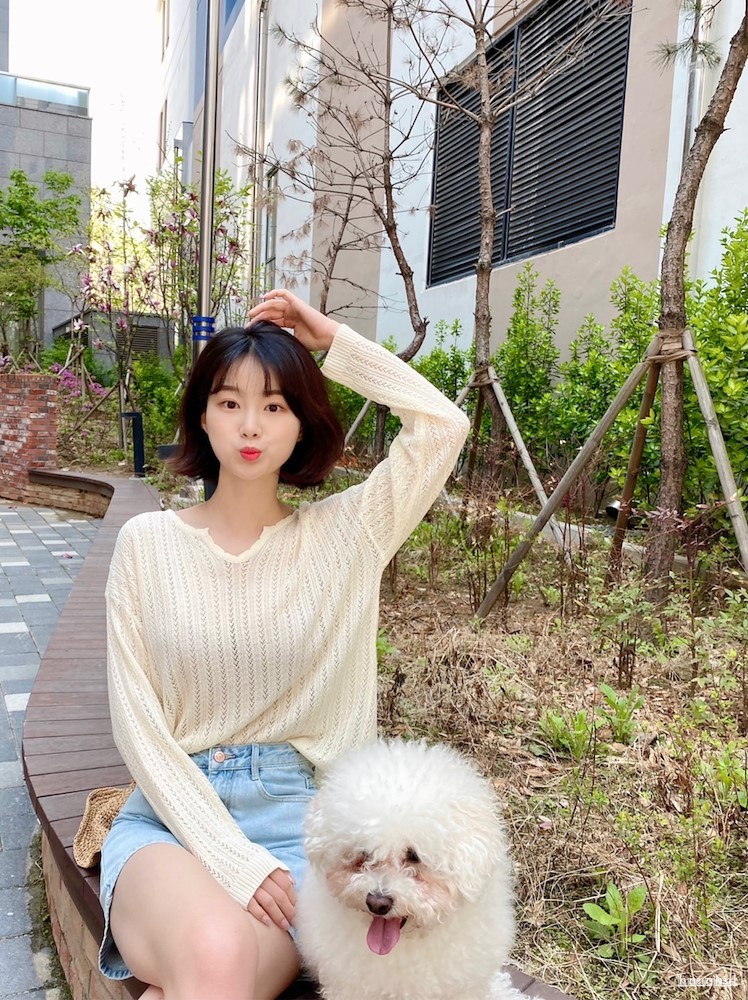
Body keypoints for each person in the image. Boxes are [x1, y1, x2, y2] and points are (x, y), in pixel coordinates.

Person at [97, 289, 470, 1000]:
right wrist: (229, 857)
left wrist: (334, 342)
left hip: (301, 828)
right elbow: (136, 725)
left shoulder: (349, 534)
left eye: (275, 406)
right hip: (173, 817)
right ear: (202, 415)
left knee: (211, 974)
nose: (250, 425)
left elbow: (442, 426)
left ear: (301, 426)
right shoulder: (146, 545)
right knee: (215, 953)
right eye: (230, 402)